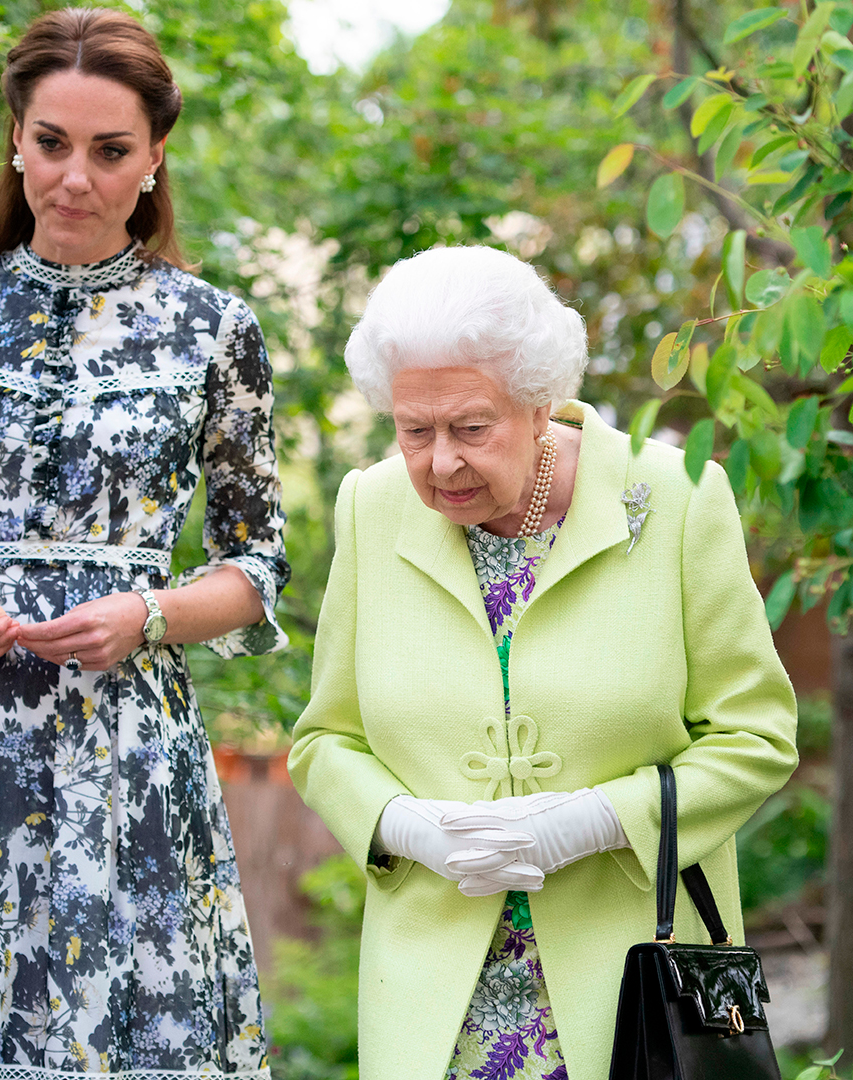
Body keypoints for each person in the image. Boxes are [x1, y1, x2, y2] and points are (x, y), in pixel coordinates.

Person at [0, 10, 288, 1077]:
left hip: (131, 751)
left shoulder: (215, 329)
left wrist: (150, 614)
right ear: (16, 141)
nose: (76, 176)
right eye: (52, 143)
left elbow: (257, 569)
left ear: (155, 157)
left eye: (111, 151)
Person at [287, 246, 798, 1080]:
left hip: (637, 995)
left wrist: (594, 821)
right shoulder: (370, 507)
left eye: (470, 427)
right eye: (415, 430)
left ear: (539, 404)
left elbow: (757, 735)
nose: (440, 461)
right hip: (436, 1008)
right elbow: (324, 742)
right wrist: (408, 827)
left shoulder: (674, 496)